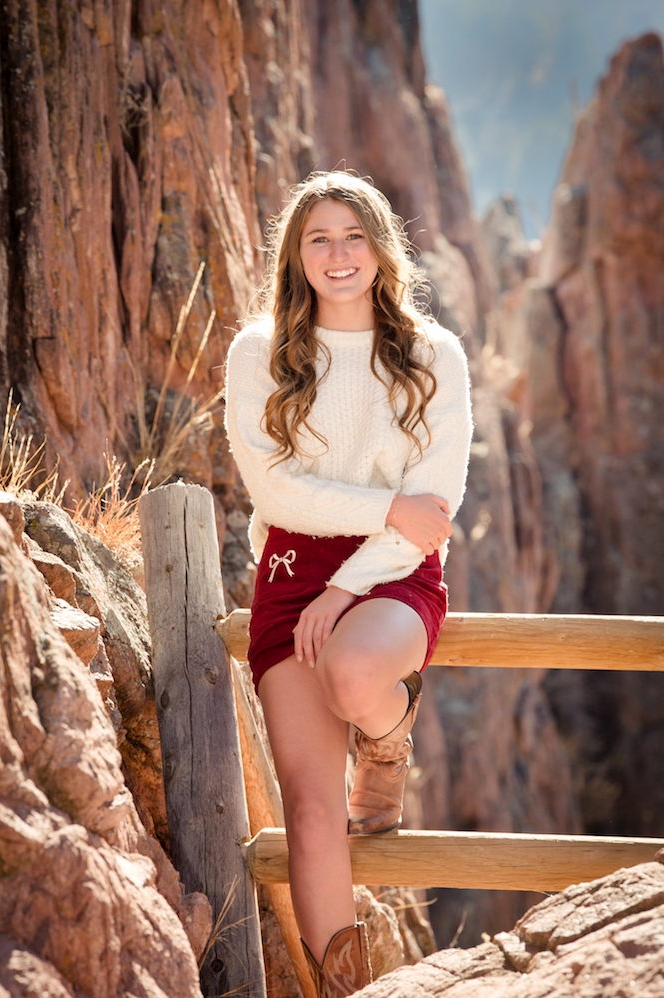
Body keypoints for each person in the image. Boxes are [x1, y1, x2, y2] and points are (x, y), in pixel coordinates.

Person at [225, 171, 472, 997]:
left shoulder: (433, 356)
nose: (337, 254)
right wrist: (386, 507)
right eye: (318, 238)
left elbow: (431, 512)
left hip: (395, 571)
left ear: (380, 249)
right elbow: (276, 493)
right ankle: (343, 991)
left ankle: (387, 740)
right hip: (290, 574)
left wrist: (346, 586)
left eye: (353, 236)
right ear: (295, 256)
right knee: (308, 809)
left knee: (355, 672)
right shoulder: (259, 352)